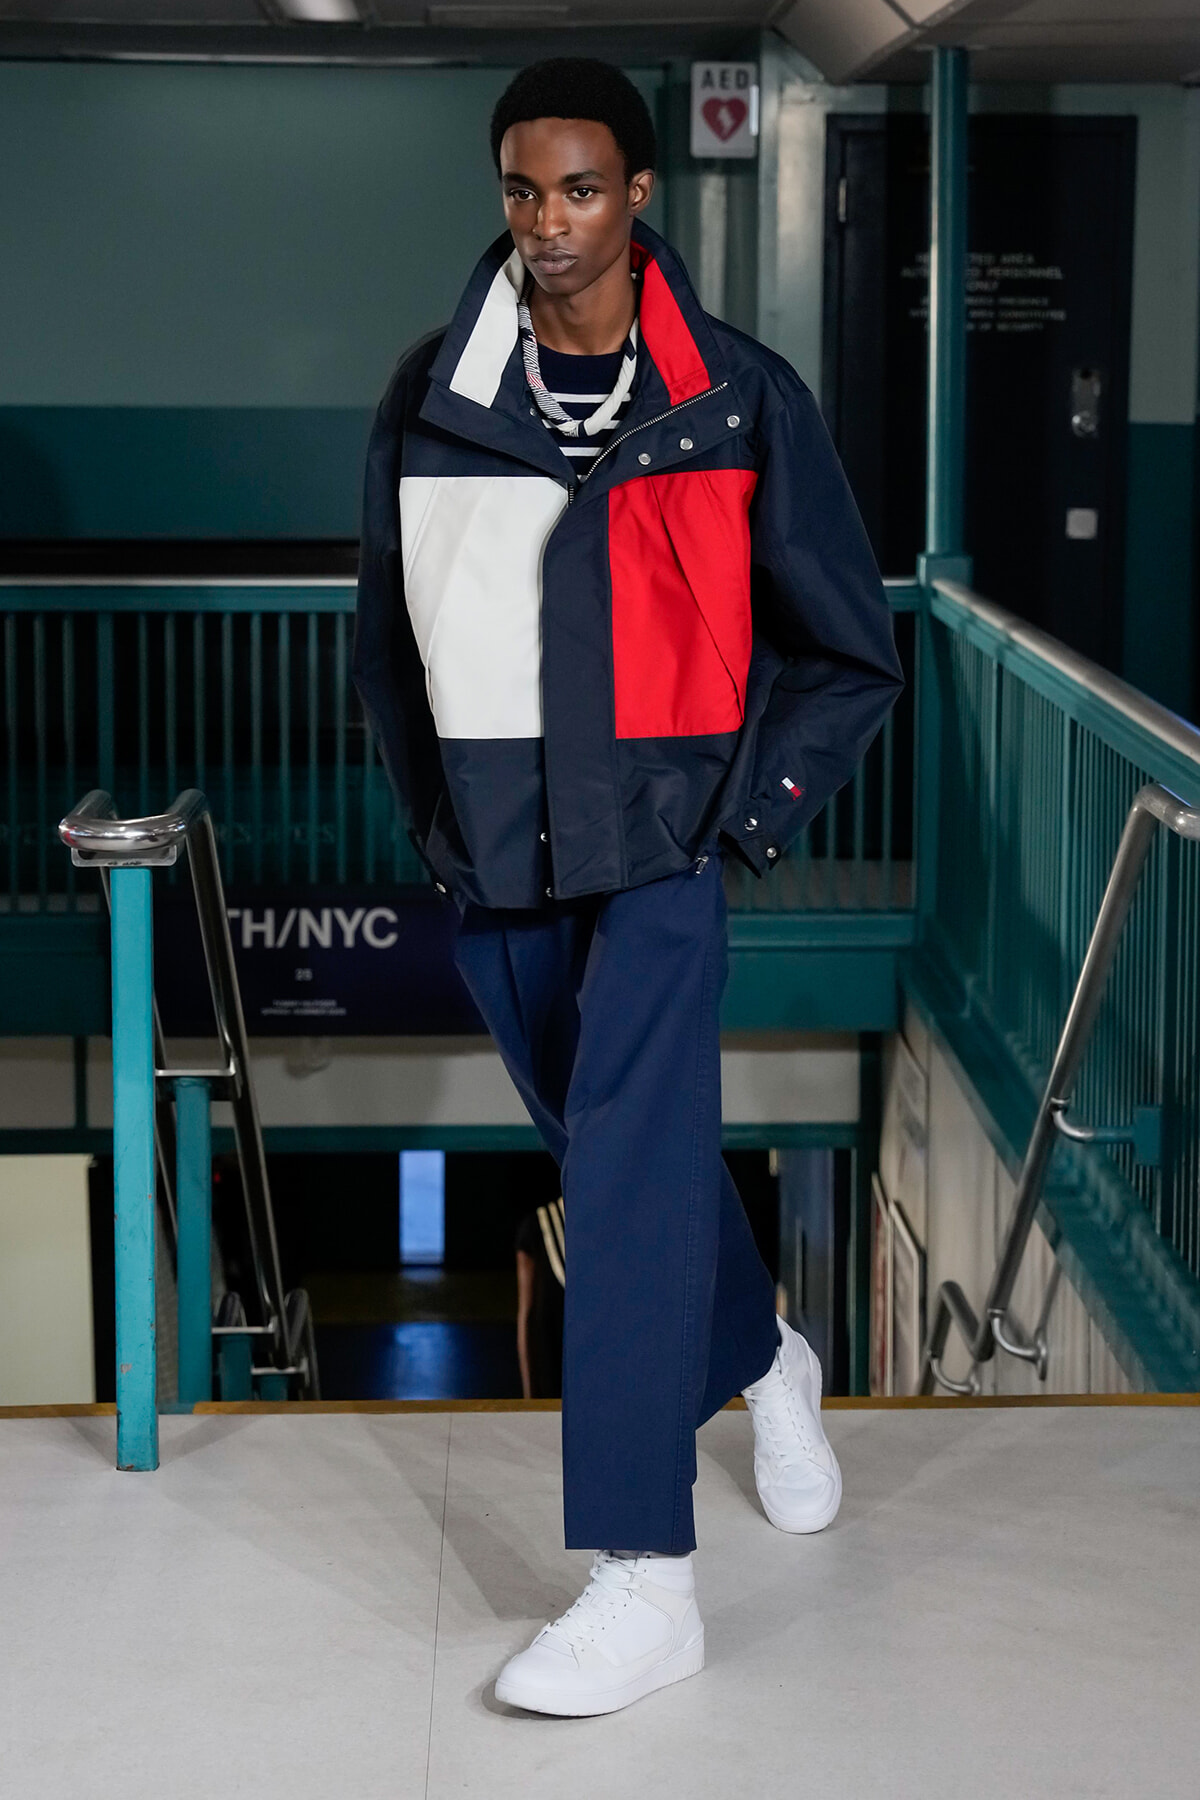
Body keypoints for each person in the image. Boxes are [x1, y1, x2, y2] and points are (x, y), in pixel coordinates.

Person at [355, 57, 903, 1717]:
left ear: (642, 192)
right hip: (500, 858)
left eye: (581, 188)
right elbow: (385, 651)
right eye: (523, 191)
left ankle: (643, 1578)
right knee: (617, 1154)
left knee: (630, 1181)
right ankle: (766, 1356)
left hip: (663, 857)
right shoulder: (434, 396)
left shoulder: (738, 400)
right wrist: (435, 819)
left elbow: (848, 650)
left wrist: (745, 821)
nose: (549, 223)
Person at [515, 1194, 565, 1399]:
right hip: (550, 1381)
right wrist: (529, 1400)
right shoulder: (537, 1227)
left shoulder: (608, 1229)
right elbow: (525, 1317)